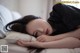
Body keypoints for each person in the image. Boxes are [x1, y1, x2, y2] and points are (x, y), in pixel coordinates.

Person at [5, 3, 80, 49]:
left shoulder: (58, 10)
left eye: (38, 24)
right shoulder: (50, 35)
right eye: (36, 33)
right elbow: (76, 42)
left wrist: (52, 38)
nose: (41, 31)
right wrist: (40, 45)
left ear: (41, 18)